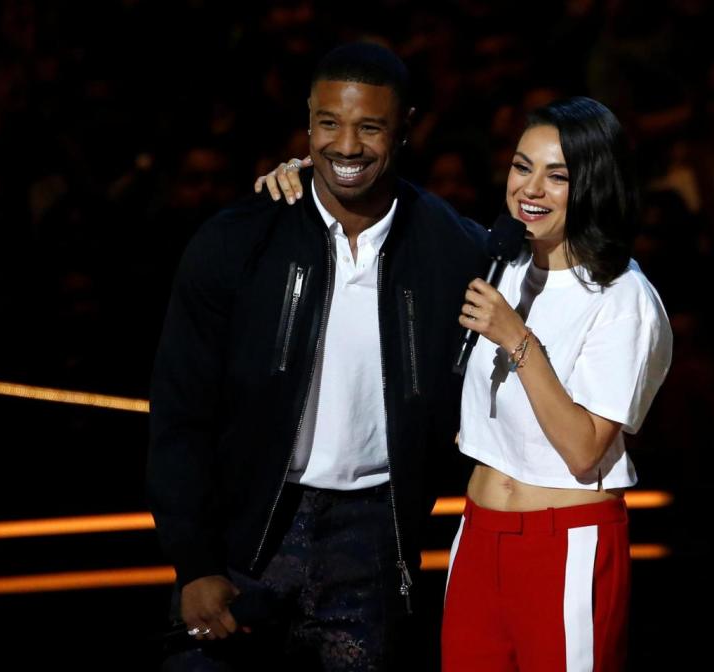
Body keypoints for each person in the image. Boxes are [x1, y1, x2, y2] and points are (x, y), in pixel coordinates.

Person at [259, 97, 672, 672]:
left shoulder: (623, 296)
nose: (531, 188)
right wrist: (321, 178)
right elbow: (404, 215)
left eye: (558, 176)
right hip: (477, 535)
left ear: (595, 184)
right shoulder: (500, 256)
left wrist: (516, 337)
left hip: (566, 540)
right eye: (522, 167)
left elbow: (583, 450)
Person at [147, 42, 486, 671]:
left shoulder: (454, 251)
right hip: (245, 541)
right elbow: (180, 412)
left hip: (374, 547)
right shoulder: (239, 240)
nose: (347, 146)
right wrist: (193, 563)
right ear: (307, 123)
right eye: (329, 123)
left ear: (405, 127)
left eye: (370, 126)